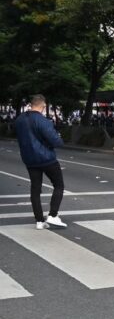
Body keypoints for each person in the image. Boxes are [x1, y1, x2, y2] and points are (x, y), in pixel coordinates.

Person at [14, 95, 67, 230]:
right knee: (59, 185)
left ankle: (39, 221)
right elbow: (55, 141)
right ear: (42, 105)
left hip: (29, 159)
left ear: (31, 104)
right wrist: (59, 139)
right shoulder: (43, 120)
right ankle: (53, 215)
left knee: (35, 189)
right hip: (46, 158)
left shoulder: (19, 120)